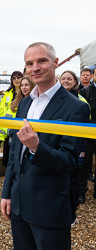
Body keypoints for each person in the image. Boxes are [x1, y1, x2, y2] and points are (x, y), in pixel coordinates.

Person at [1, 42, 90, 250]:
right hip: (19, 205)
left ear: (56, 63)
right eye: (29, 63)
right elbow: (15, 152)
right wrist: (7, 192)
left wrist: (37, 147)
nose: (35, 68)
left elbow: (69, 162)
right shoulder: (25, 103)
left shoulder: (76, 108)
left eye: (42, 61)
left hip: (49, 206)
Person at [60, 70, 89, 221]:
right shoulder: (56, 99)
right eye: (63, 78)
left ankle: (73, 209)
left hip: (77, 145)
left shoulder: (82, 101)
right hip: (58, 143)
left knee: (73, 178)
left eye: (69, 79)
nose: (65, 81)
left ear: (75, 82)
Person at [0, 77, 35, 167]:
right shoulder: (14, 104)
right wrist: (11, 132)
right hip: (14, 141)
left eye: (27, 85)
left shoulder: (36, 104)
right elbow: (5, 122)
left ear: (32, 86)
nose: (24, 87)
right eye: (22, 85)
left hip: (30, 142)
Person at [0, 71, 23, 166]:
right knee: (9, 160)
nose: (16, 80)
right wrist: (5, 131)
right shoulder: (7, 94)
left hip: (21, 128)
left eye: (18, 77)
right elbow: (2, 114)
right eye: (14, 78)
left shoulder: (26, 93)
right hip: (9, 130)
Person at [79, 67, 96, 201]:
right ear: (93, 76)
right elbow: (82, 113)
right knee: (85, 164)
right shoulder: (85, 92)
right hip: (89, 134)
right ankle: (81, 192)